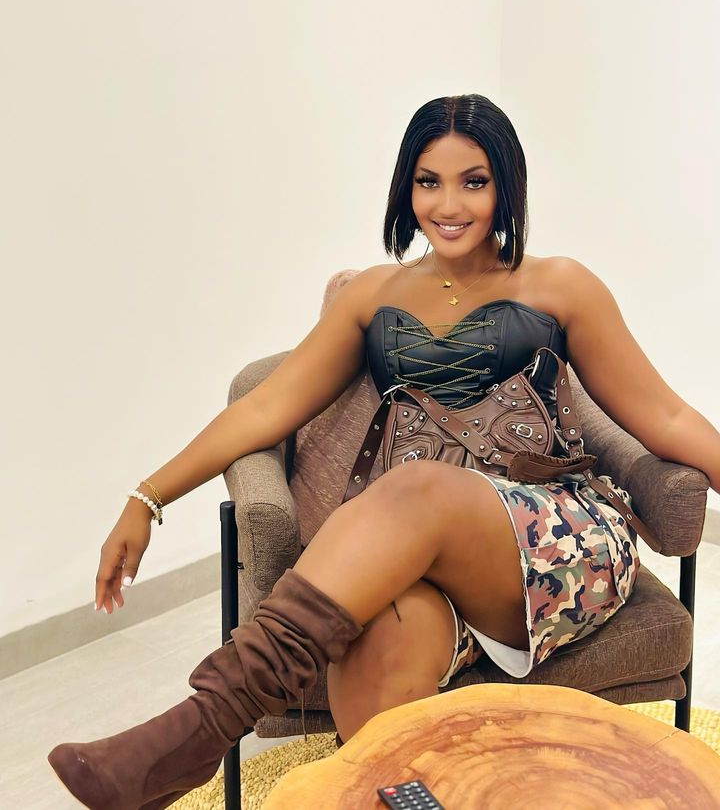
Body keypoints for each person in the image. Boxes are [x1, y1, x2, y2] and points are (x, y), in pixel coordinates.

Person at [48, 94, 720, 809]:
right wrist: (146, 498)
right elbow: (266, 408)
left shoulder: (561, 285)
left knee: (415, 487)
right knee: (381, 648)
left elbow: (666, 415)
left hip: (553, 543)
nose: (449, 205)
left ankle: (198, 730)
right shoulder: (371, 295)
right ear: (406, 187)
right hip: (421, 558)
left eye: (474, 181)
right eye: (429, 181)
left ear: (506, 188)